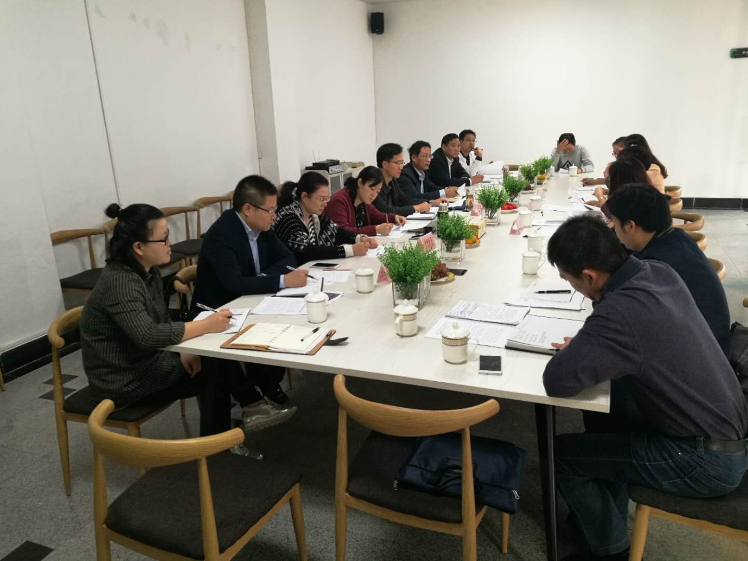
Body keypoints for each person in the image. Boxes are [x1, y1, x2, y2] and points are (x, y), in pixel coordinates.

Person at [543, 215, 748, 561]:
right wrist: (595, 344)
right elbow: (637, 335)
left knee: (561, 456)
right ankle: (604, 521)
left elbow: (556, 380)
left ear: (590, 276)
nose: (573, 286)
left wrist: (588, 345)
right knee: (609, 422)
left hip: (704, 461)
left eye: (569, 279)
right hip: (727, 432)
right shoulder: (657, 272)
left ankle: (609, 550)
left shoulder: (619, 313)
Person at [79, 203, 280, 442]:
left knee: (210, 357)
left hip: (146, 361)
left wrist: (183, 349)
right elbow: (147, 335)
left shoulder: (147, 271)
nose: (170, 244)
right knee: (212, 363)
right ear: (138, 247)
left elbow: (161, 317)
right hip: (123, 380)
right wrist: (204, 326)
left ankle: (242, 416)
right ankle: (223, 436)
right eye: (163, 239)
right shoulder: (120, 282)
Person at [193, 174, 308, 408]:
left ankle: (267, 384)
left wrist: (263, 279)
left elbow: (288, 257)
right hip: (218, 308)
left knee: (290, 320)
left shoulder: (262, 226)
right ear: (248, 209)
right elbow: (234, 285)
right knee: (272, 327)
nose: (275, 216)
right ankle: (254, 397)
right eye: (270, 210)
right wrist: (282, 280)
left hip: (252, 297)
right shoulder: (222, 234)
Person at [606, 183, 731, 357]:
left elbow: (621, 317)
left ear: (630, 226)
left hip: (696, 359)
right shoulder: (676, 238)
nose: (615, 231)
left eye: (615, 224)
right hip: (713, 349)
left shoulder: (655, 267)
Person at [274, 171, 377, 263]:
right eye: (321, 199)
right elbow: (307, 251)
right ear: (304, 197)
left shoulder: (313, 215)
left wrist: (359, 238)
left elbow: (336, 232)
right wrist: (350, 250)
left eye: (326, 199)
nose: (325, 204)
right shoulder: (289, 217)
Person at [324, 165, 406, 237]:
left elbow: (377, 216)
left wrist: (394, 217)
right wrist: (375, 229)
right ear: (360, 183)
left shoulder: (363, 199)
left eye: (377, 192)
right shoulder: (339, 200)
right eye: (372, 189)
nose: (374, 195)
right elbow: (342, 232)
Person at [373, 143, 432, 217]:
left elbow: (404, 200)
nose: (401, 167)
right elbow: (385, 211)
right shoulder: (374, 183)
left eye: (402, 163)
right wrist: (416, 208)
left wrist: (428, 202)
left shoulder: (392, 181)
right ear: (385, 164)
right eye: (398, 163)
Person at [398, 140, 457, 205]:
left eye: (430, 156)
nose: (429, 160)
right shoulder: (405, 175)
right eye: (424, 156)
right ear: (414, 157)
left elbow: (430, 187)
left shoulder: (423, 171)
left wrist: (447, 189)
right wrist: (443, 193)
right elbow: (415, 197)